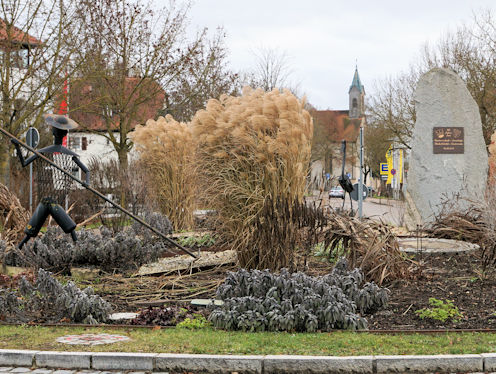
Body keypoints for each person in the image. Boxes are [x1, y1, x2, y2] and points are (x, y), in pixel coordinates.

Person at [11, 114, 90, 248]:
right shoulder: (43, 152)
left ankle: (79, 249)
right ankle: (16, 251)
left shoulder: (67, 154)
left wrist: (86, 182)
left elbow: (86, 171)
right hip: (45, 201)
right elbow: (24, 163)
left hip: (54, 202)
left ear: (55, 133)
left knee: (68, 226)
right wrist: (18, 147)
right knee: (31, 230)